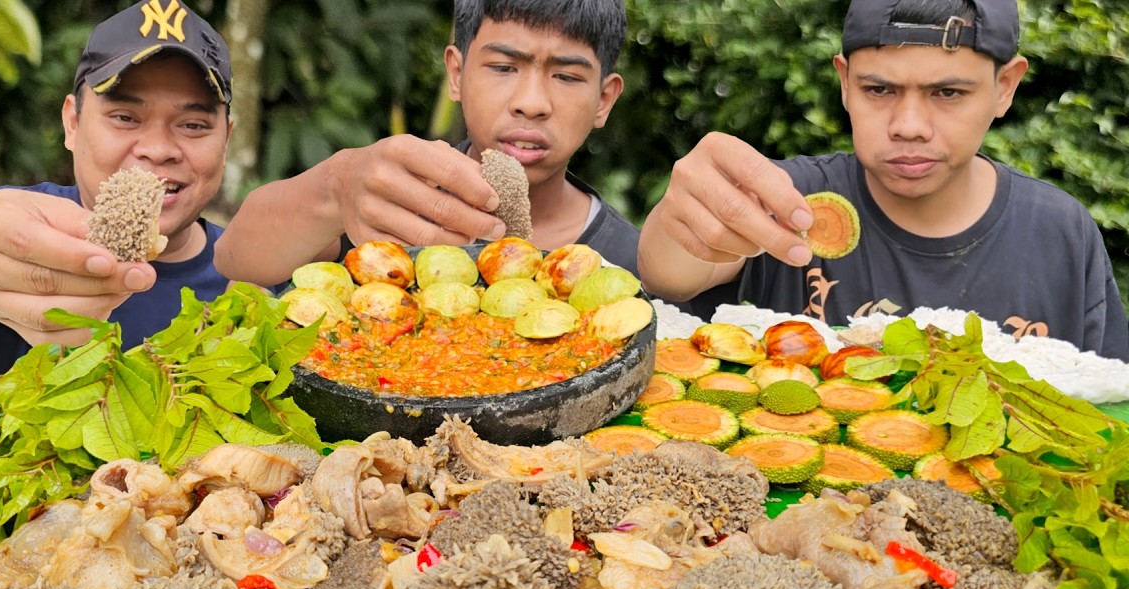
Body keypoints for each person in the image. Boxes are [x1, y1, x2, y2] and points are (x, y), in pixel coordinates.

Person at [637, 0, 1129, 361]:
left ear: (1005, 87)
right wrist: (680, 222)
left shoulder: (1060, 232)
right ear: (845, 83)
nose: (908, 125)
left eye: (948, 93)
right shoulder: (784, 201)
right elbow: (671, 275)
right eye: (879, 89)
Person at [0, 0, 235, 384]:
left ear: (226, 141)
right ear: (72, 124)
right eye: (124, 117)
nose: (157, 149)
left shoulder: (255, 274)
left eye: (193, 125)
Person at [215, 0, 639, 286]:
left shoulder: (634, 264)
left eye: (566, 76)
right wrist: (335, 186)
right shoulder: (388, 198)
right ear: (456, 74)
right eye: (503, 67)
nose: (531, 103)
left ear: (604, 100)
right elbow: (235, 257)